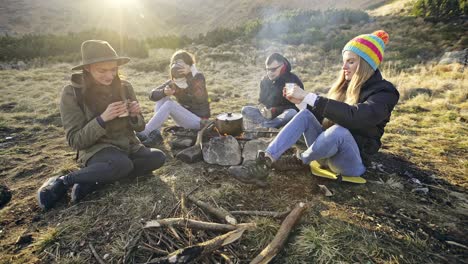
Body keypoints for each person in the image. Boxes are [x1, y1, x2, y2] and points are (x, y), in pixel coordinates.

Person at [230, 30, 399, 187]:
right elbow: (323, 118)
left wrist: (311, 97)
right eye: (344, 61)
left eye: (351, 61)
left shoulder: (384, 92)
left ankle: (299, 160)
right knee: (304, 115)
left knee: (339, 131)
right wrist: (300, 102)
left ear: (365, 64)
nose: (344, 67)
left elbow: (355, 117)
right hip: (325, 154)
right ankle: (265, 162)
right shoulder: (344, 87)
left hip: (351, 164)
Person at [37, 40, 166, 209]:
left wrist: (135, 116)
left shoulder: (125, 87)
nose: (109, 75)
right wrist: (102, 119)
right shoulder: (72, 93)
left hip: (129, 147)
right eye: (102, 70)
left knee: (158, 157)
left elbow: (140, 128)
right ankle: (65, 180)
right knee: (122, 165)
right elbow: (75, 140)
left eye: (113, 69)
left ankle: (95, 179)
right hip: (97, 149)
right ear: (87, 68)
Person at [137, 50, 210, 146]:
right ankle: (155, 133)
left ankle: (145, 132)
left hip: (200, 121)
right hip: (185, 119)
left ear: (189, 65)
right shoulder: (174, 82)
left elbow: (200, 98)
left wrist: (189, 76)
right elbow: (152, 95)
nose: (177, 65)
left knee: (169, 105)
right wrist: (164, 92)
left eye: (180, 63)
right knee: (163, 98)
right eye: (174, 63)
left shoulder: (198, 77)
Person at [242, 53, 303, 129]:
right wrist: (262, 109)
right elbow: (261, 101)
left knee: (292, 113)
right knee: (245, 110)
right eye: (267, 69)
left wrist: (274, 111)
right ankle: (268, 124)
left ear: (283, 67)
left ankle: (265, 126)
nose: (269, 72)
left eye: (273, 69)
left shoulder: (291, 81)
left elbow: (296, 107)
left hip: (282, 116)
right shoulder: (264, 80)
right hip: (267, 116)